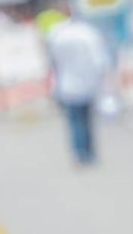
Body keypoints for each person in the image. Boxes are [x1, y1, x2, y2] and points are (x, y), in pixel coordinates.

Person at [46, 15, 109, 165]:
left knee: (75, 121)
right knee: (86, 120)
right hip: (87, 83)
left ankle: (79, 152)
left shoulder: (58, 35)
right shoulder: (88, 34)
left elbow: (52, 61)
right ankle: (88, 152)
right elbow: (99, 60)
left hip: (67, 84)